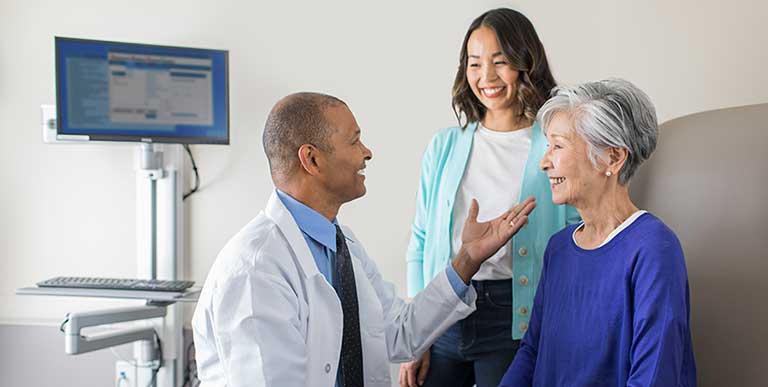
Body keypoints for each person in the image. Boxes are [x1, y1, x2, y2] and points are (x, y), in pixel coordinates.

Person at [191, 92, 536, 387]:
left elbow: (400, 333)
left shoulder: (341, 246)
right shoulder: (256, 270)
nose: (367, 153)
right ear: (312, 159)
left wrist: (467, 259)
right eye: (354, 141)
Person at [399, 9, 579, 387]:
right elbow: (419, 241)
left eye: (501, 62)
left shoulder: (554, 145)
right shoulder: (444, 147)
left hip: (515, 315)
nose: (487, 77)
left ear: (526, 63)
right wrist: (417, 334)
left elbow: (575, 239)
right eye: (475, 63)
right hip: (444, 310)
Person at [499, 79, 697, 386]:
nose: (544, 162)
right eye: (547, 145)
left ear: (613, 158)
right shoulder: (559, 248)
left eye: (558, 146)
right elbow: (532, 352)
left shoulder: (654, 249)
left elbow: (654, 377)